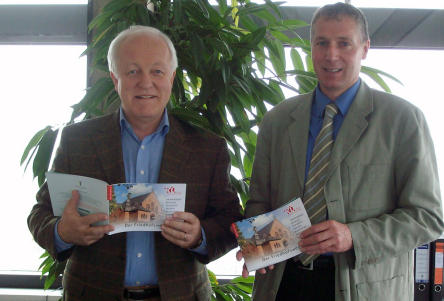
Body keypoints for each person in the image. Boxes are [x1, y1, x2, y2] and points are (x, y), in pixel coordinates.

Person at [238, 2, 444, 301]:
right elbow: (259, 202)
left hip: (364, 285)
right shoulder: (277, 120)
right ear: (311, 47)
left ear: (365, 49)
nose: (331, 55)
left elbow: (427, 217)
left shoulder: (402, 120)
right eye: (322, 43)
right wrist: (255, 248)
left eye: (344, 43)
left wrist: (353, 236)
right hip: (284, 284)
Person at [28, 25, 242, 301]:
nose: (145, 82)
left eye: (157, 71)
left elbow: (231, 220)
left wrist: (199, 236)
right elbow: (39, 213)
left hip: (181, 295)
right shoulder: (77, 140)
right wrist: (62, 232)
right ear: (115, 78)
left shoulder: (207, 147)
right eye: (132, 71)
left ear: (172, 77)